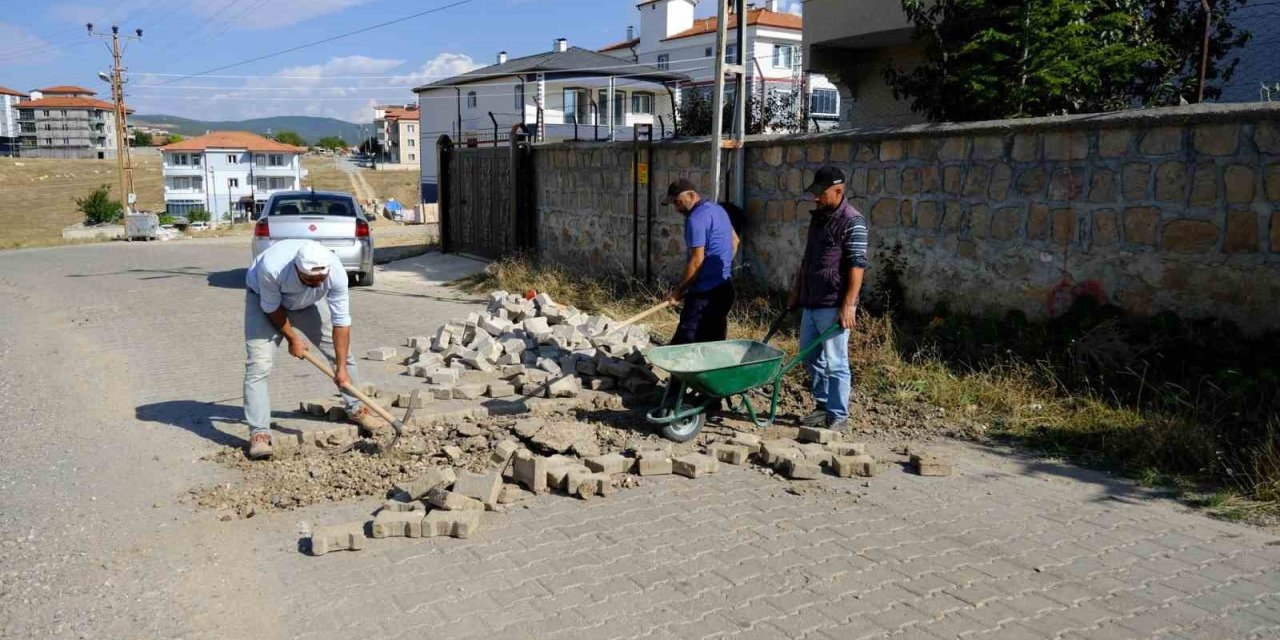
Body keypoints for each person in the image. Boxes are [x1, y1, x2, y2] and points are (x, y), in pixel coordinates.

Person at [243, 239, 379, 459]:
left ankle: (356, 408)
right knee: (258, 366)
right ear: (297, 270)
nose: (317, 283)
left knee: (343, 355)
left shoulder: (335, 272)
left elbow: (341, 322)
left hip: (307, 305)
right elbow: (272, 308)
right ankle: (259, 433)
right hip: (264, 303)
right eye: (310, 279)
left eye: (321, 279)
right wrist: (293, 339)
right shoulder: (272, 268)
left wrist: (341, 368)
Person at [787, 166, 869, 432]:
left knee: (836, 362)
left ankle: (839, 416)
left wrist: (849, 305)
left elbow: (857, 265)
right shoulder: (819, 218)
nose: (816, 198)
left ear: (838, 190)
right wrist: (797, 291)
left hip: (833, 304)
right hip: (811, 301)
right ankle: (823, 406)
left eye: (820, 193)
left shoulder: (853, 222)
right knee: (809, 357)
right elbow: (806, 258)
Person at [660, 178, 740, 345]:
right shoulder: (718, 210)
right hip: (725, 289)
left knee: (688, 340)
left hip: (704, 293)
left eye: (677, 202)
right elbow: (735, 240)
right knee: (714, 341)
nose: (676, 208)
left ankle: (681, 371)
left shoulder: (695, 219)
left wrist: (678, 292)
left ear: (691, 195)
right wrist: (721, 268)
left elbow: (697, 260)